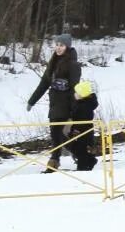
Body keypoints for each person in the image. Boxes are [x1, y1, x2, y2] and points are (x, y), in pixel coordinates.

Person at [27, 34, 80, 171]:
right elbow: (44, 83)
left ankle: (55, 160)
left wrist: (75, 105)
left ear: (67, 46)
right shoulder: (53, 62)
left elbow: (75, 86)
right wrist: (32, 101)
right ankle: (74, 153)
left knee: (57, 132)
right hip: (55, 103)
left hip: (66, 102)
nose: (58, 48)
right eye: (57, 45)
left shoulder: (73, 64)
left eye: (61, 45)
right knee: (55, 133)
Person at [68, 79, 100, 173]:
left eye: (77, 93)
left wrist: (76, 130)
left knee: (80, 149)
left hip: (82, 130)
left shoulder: (84, 105)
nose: (75, 94)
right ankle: (88, 162)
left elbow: (82, 119)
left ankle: (83, 167)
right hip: (82, 130)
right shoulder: (83, 103)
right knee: (78, 148)